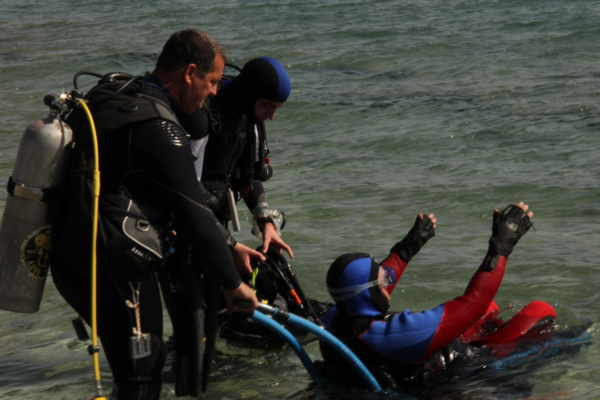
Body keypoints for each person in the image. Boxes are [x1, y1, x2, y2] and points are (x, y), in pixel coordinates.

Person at [51, 29, 259, 400]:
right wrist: (233, 283)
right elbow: (194, 213)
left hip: (77, 255)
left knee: (146, 364)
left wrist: (228, 246)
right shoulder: (158, 128)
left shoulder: (120, 94)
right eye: (213, 81)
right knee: (141, 376)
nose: (215, 92)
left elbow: (174, 197)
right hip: (110, 268)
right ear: (190, 72)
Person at [319, 202, 557, 387]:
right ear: (367, 292)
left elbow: (366, 290)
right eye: (383, 279)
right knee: (540, 311)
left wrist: (407, 249)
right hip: (460, 371)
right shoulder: (395, 335)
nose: (388, 278)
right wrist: (501, 246)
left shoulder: (333, 321)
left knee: (490, 308)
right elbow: (475, 301)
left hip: (414, 361)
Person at [179, 56, 294, 272]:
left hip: (215, 225)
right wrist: (229, 244)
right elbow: (184, 184)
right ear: (250, 92)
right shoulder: (200, 110)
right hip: (186, 221)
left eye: (277, 108)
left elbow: (248, 176)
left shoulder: (247, 115)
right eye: (268, 106)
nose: (272, 116)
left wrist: (266, 222)